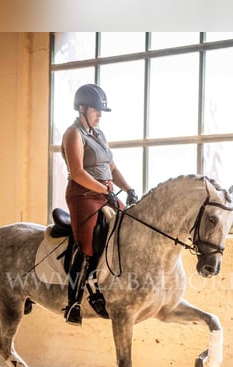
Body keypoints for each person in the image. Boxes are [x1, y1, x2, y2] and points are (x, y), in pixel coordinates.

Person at [60, 83, 138, 326]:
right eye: (96, 110)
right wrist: (105, 190)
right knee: (87, 242)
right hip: (83, 195)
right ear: (82, 108)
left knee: (129, 228)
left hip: (106, 192)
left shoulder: (99, 134)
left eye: (100, 111)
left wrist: (128, 189)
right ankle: (74, 301)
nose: (100, 115)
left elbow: (111, 168)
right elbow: (78, 172)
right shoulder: (73, 134)